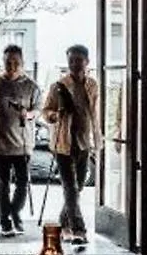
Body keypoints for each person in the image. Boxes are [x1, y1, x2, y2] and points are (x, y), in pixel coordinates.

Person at [42, 45, 102, 244]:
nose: (75, 64)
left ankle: (63, 222)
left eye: (79, 60)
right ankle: (79, 229)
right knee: (70, 187)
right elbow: (45, 111)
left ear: (87, 62)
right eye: (71, 60)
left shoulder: (93, 85)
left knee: (79, 186)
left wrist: (98, 136)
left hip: (84, 142)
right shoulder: (59, 86)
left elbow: (95, 112)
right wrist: (54, 115)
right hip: (63, 143)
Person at [0, 44, 42, 236]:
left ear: (22, 63)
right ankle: (5, 222)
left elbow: (38, 110)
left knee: (22, 183)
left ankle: (15, 212)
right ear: (3, 62)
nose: (11, 66)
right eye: (7, 62)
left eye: (15, 63)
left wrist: (28, 115)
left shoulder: (32, 86)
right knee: (2, 184)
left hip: (23, 143)